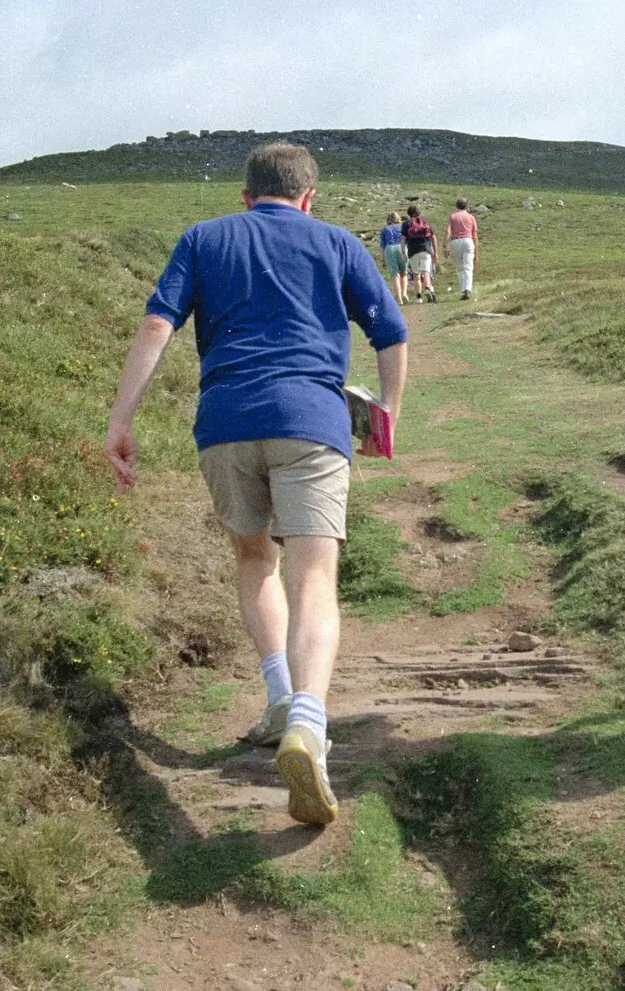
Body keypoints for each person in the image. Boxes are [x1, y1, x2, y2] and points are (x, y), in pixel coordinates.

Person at [104, 142, 408, 826]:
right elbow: (391, 331)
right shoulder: (334, 242)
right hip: (312, 422)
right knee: (313, 579)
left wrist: (122, 419)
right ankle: (307, 720)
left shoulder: (203, 238)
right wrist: (386, 414)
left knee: (254, 558)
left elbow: (158, 322)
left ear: (245, 197)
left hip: (225, 423)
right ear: (309, 198)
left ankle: (277, 698)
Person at [400, 203, 439, 303]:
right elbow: (433, 237)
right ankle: (427, 288)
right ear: (418, 212)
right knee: (426, 271)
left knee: (416, 274)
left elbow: (403, 239)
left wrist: (403, 252)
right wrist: (435, 252)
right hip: (425, 250)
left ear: (409, 214)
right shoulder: (425, 222)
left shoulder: (406, 224)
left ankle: (419, 298)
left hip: (413, 251)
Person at [446, 197, 480, 300]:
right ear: (466, 206)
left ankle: (463, 291)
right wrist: (476, 253)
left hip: (455, 241)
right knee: (468, 267)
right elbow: (475, 236)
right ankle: (467, 289)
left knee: (460, 268)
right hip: (468, 241)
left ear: (456, 206)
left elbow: (448, 232)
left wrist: (444, 245)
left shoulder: (452, 217)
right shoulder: (471, 217)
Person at [379, 210, 408, 304]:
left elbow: (382, 246)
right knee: (404, 272)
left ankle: (398, 298)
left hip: (390, 249)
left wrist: (383, 259)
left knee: (395, 274)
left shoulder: (385, 229)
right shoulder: (401, 227)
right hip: (402, 247)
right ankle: (404, 293)